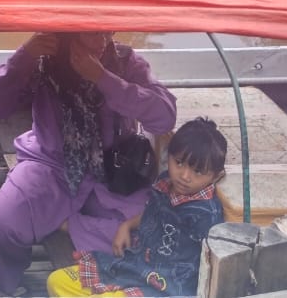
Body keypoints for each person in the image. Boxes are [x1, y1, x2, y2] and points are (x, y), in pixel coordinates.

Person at [0, 32, 178, 297]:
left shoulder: (126, 62)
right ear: (67, 30)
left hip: (112, 176)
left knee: (153, 232)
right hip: (51, 167)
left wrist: (104, 79)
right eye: (91, 32)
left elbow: (164, 117)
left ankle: (62, 224)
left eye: (108, 30)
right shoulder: (41, 60)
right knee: (2, 219)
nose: (102, 39)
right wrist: (24, 56)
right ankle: (8, 266)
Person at [46, 117, 228, 297]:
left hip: (166, 287)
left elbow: (210, 268)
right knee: (57, 281)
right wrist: (127, 226)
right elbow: (153, 212)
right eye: (179, 163)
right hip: (136, 267)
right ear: (168, 155)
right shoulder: (165, 183)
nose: (185, 176)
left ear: (215, 176)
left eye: (198, 171)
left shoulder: (206, 215)